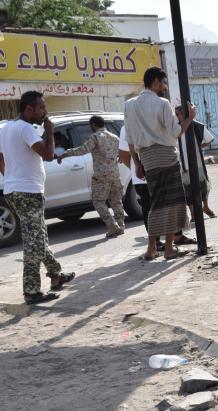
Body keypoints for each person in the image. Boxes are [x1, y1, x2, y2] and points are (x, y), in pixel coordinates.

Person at [0, 91, 74, 304]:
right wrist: (49, 131)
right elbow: (49, 155)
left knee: (38, 235)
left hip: (15, 189)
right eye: (41, 107)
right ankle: (31, 291)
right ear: (28, 109)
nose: (45, 111)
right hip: (28, 192)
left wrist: (11, 177)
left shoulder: (6, 128)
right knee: (34, 241)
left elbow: (1, 158)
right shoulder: (26, 128)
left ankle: (56, 274)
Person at [124, 67, 197, 261]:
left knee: (156, 203)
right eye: (163, 83)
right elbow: (175, 132)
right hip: (166, 156)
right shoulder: (162, 103)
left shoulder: (130, 105)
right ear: (156, 82)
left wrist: (137, 163)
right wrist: (190, 118)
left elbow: (130, 138)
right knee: (171, 203)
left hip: (146, 158)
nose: (165, 87)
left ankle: (151, 249)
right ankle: (169, 249)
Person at [58, 115, 125, 239]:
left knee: (98, 202)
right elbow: (121, 153)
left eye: (90, 125)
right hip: (115, 175)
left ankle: (112, 226)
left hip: (101, 176)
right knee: (116, 201)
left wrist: (65, 153)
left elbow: (82, 150)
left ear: (93, 124)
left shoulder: (95, 137)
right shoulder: (115, 138)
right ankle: (120, 226)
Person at [175, 105, 217, 219]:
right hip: (183, 165)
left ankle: (205, 207)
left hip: (197, 163)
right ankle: (193, 214)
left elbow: (210, 139)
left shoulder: (196, 125)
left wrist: (199, 146)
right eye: (176, 114)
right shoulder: (176, 128)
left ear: (185, 113)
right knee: (187, 190)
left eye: (178, 114)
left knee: (203, 186)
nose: (177, 116)